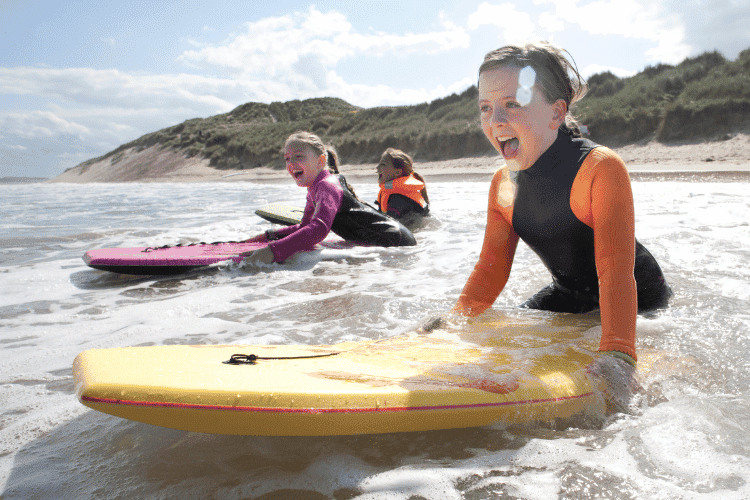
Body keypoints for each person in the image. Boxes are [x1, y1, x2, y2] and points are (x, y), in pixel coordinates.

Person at [451, 42, 671, 366]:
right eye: (485, 107)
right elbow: (490, 269)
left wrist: (618, 353)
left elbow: (615, 274)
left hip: (640, 302)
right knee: (506, 341)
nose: (495, 120)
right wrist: (453, 325)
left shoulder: (599, 168)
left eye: (512, 103)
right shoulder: (503, 184)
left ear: (556, 113)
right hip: (570, 295)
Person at [242, 131, 415, 265]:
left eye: (299, 156)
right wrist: (268, 235)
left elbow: (318, 230)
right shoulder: (315, 188)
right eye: (287, 158)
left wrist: (272, 252)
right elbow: (305, 227)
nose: (291, 163)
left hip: (395, 242)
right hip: (391, 239)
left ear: (320, 161)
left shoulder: (327, 185)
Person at [375, 148, 430, 220]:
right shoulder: (391, 193)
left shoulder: (397, 199)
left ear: (397, 172)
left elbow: (389, 226)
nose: (377, 167)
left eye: (383, 164)